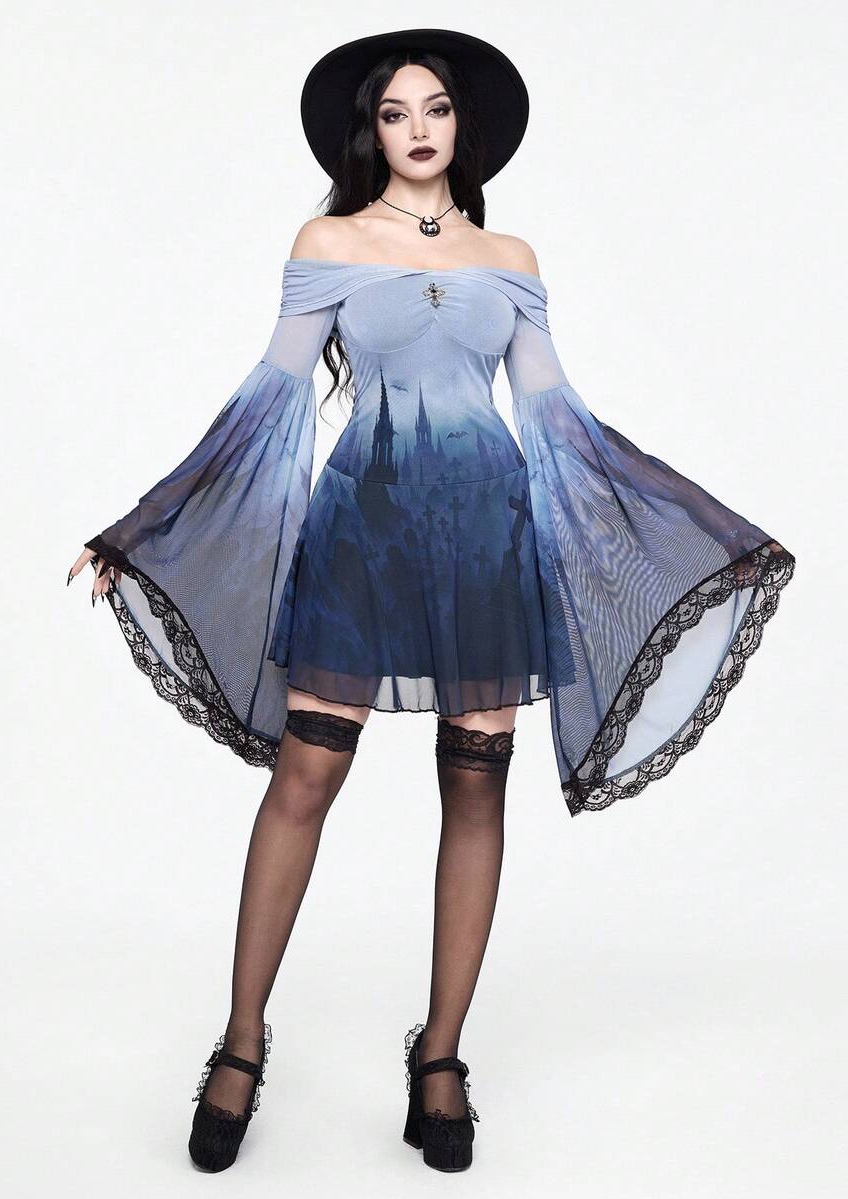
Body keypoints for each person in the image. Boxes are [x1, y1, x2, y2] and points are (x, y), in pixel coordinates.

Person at [67, 28, 795, 1174]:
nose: (418, 129)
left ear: (463, 126)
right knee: (305, 773)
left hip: (485, 537)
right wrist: (150, 523)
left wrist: (707, 528)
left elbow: (560, 419)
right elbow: (268, 399)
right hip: (362, 529)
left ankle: (440, 1054)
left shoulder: (512, 257)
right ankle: (244, 1037)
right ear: (371, 131)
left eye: (437, 108)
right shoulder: (328, 242)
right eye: (396, 112)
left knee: (477, 782)